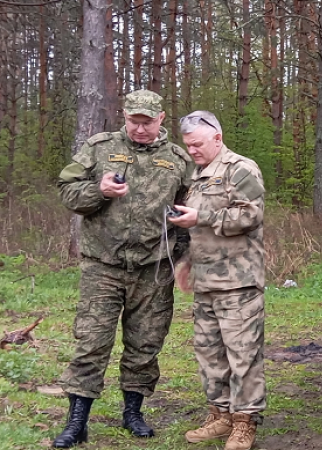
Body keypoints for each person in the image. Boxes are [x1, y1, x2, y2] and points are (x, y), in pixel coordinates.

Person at [53, 89, 193, 448]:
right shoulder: (99, 147)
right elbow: (67, 189)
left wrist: (182, 256)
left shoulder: (177, 158)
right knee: (92, 341)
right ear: (125, 117)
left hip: (153, 268)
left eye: (147, 122)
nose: (140, 128)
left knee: (145, 344)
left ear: (161, 118)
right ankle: (77, 420)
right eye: (134, 121)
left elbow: (189, 207)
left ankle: (133, 412)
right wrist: (98, 191)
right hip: (104, 265)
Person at [168, 110, 266, 450]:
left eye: (197, 144)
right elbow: (194, 229)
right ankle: (220, 416)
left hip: (238, 282)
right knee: (210, 354)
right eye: (188, 145)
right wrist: (186, 262)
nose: (192, 150)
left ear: (217, 138)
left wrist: (203, 216)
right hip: (206, 281)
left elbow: (251, 214)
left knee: (243, 355)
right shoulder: (197, 175)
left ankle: (245, 422)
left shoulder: (240, 168)